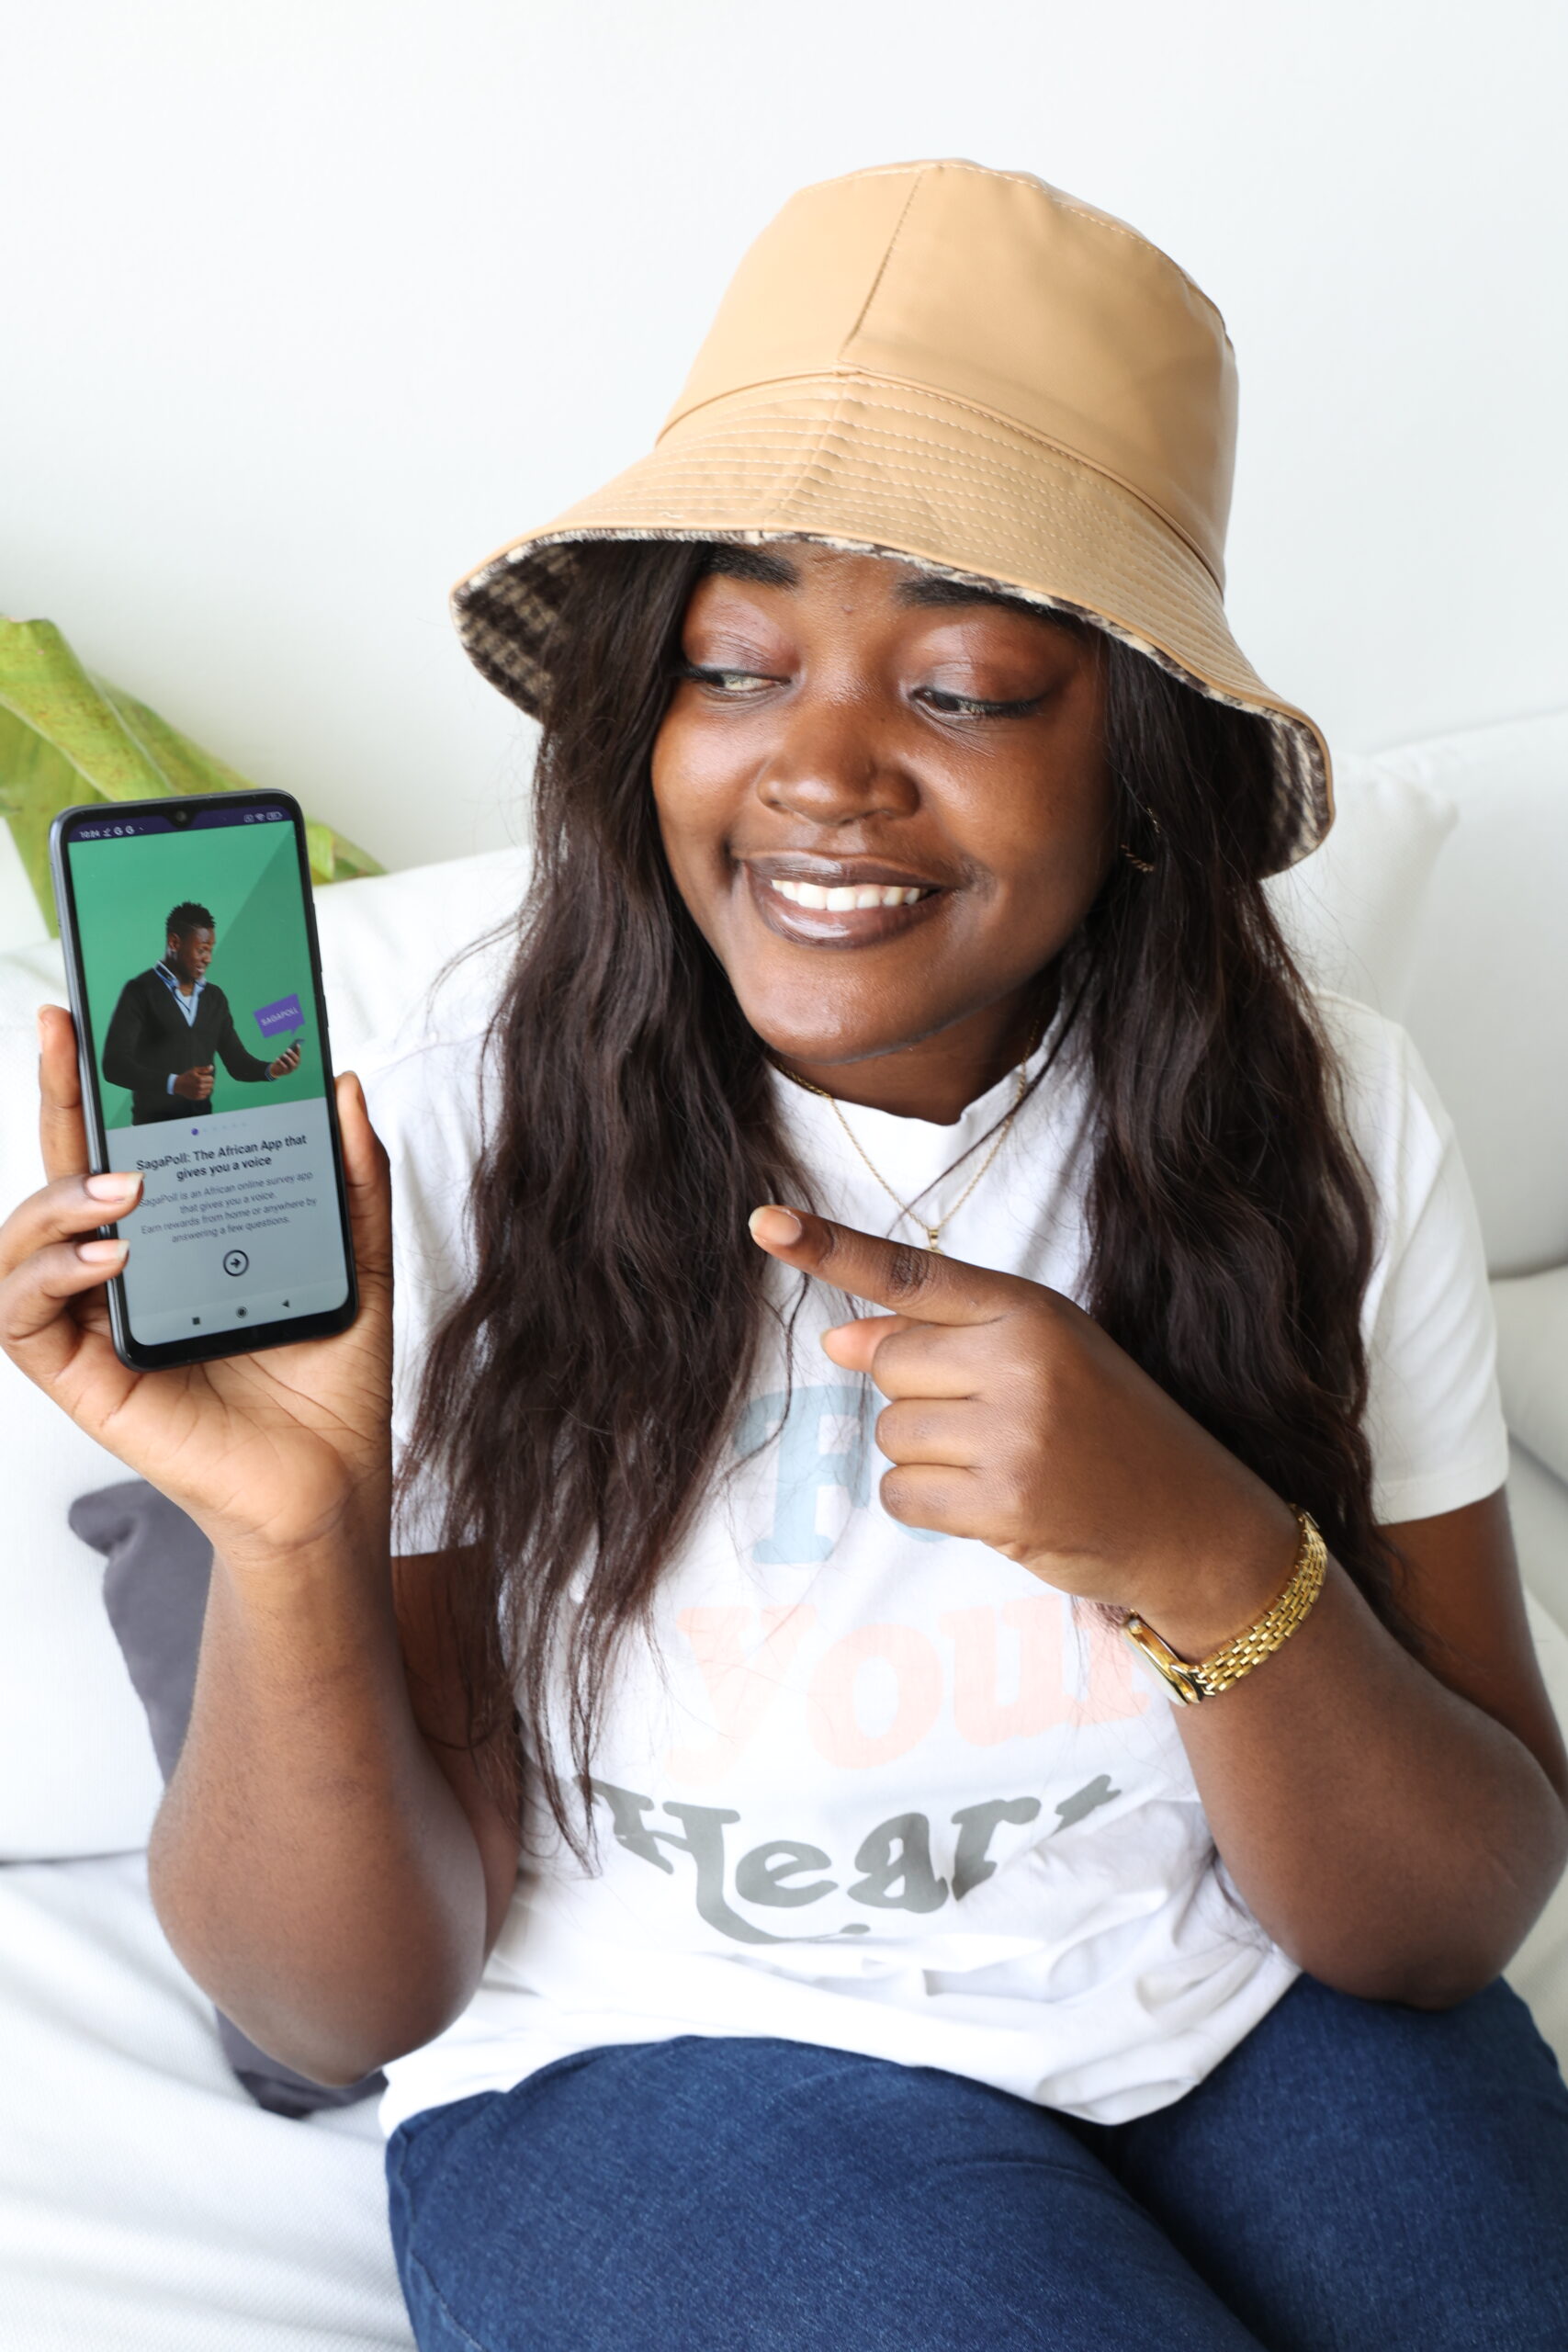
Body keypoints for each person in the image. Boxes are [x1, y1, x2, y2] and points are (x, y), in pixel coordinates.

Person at [3, 160, 1567, 2349]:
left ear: (1139, 757)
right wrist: (285, 1530)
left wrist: (1200, 1546)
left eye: (965, 688)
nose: (819, 771)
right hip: (651, 2063)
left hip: (1232, 2005)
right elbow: (334, 2000)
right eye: (732, 664)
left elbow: (1440, 1912)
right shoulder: (430, 1111)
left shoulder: (1318, 1107)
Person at [99, 899, 303, 1123]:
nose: (209, 958)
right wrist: (174, 1083)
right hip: (154, 1132)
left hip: (204, 1129)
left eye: (211, 950)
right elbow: (114, 1065)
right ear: (174, 943)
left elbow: (237, 1063)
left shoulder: (214, 998)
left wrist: (272, 1070)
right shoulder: (139, 991)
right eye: (202, 949)